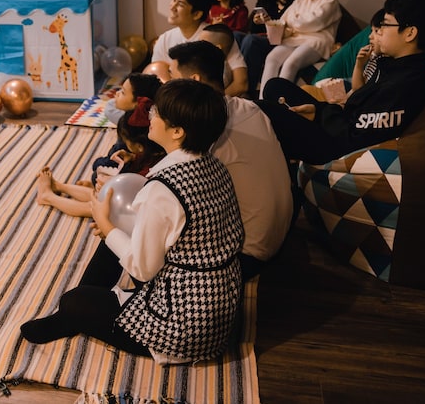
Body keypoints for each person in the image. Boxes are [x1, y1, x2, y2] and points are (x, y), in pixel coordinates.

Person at [21, 79, 244, 364]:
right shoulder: (214, 165)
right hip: (218, 306)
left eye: (157, 113)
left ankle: (73, 313)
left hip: (184, 329)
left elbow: (144, 268)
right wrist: (113, 231)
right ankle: (88, 303)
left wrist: (106, 224)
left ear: (177, 131)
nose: (150, 117)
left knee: (74, 301)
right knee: (116, 240)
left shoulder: (163, 188)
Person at [258, 0, 425, 164]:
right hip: (339, 126)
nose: (378, 32)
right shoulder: (390, 64)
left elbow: (354, 137)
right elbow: (355, 110)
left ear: (410, 33)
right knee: (275, 86)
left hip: (338, 147)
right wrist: (319, 111)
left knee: (261, 110)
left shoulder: (408, 82)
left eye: (385, 26)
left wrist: (321, 115)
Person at [168, 40, 293, 280]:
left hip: (247, 254)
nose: (167, 85)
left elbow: (180, 198)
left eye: (172, 78)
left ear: (193, 81)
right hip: (279, 233)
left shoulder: (210, 128)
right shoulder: (248, 107)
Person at [36, 103, 165, 218]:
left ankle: (47, 197)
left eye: (126, 142)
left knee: (96, 205)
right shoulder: (158, 152)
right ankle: (58, 186)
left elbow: (135, 192)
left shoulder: (153, 172)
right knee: (100, 193)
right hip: (135, 195)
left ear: (139, 146)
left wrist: (111, 183)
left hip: (137, 209)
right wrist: (132, 157)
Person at [258, 0, 341, 89]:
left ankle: (281, 101)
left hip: (317, 40)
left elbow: (315, 21)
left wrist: (293, 25)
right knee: (272, 58)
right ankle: (263, 101)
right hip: (295, 39)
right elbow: (282, 22)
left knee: (291, 62)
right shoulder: (299, 1)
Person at [240, 0, 299, 97]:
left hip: (284, 43)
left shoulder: (299, 0)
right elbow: (253, 30)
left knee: (251, 41)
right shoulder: (266, 0)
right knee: (236, 36)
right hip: (265, 40)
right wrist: (256, 22)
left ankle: (245, 90)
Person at [198, 23, 249, 97]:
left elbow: (241, 85)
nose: (197, 45)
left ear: (217, 48)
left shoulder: (222, 70)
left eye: (202, 43)